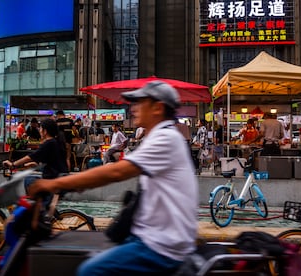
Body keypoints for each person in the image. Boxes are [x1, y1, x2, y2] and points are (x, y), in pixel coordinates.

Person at [28, 80, 198, 275]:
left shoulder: (166, 139)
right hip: (147, 235)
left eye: (139, 102)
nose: (133, 108)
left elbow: (115, 172)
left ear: (157, 108)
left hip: (161, 246)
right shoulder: (159, 136)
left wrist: (53, 184)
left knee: (90, 270)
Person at [3, 118, 68, 192]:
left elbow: (30, 157)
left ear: (45, 131)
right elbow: (53, 160)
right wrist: (35, 164)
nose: (39, 130)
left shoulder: (49, 143)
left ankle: (39, 201)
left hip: (53, 178)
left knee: (28, 179)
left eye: (40, 128)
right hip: (60, 176)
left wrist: (13, 164)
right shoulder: (56, 142)